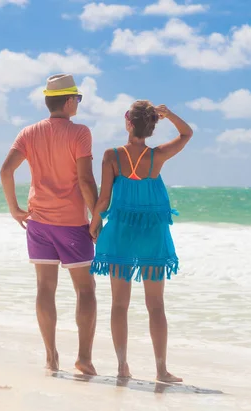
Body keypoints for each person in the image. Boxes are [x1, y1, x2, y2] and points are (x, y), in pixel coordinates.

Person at [0, 74, 99, 375]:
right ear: (69, 101)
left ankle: (50, 357)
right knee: (85, 290)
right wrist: (95, 215)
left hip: (39, 223)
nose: (78, 103)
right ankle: (83, 358)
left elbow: (6, 171)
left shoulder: (28, 133)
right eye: (78, 99)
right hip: (71, 224)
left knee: (45, 287)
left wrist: (15, 209)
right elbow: (84, 179)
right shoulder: (80, 133)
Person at [89, 100, 193, 382]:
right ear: (150, 127)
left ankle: (122, 366)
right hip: (152, 234)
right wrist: (170, 114)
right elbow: (187, 134)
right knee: (156, 305)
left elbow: (103, 198)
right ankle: (161, 370)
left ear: (128, 122)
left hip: (121, 232)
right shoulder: (157, 156)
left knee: (119, 304)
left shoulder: (112, 156)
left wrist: (95, 222)